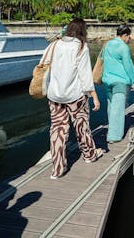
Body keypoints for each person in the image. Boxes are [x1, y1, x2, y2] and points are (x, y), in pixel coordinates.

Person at [46, 18, 103, 179]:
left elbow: (45, 64)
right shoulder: (81, 47)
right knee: (81, 126)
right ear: (82, 30)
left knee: (57, 130)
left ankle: (57, 169)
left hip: (55, 95)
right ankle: (89, 155)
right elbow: (85, 75)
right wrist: (94, 95)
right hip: (74, 95)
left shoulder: (54, 44)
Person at [101, 24, 134, 143]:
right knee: (118, 109)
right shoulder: (123, 47)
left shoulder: (107, 44)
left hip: (107, 80)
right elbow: (128, 65)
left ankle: (111, 129)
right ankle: (114, 136)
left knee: (111, 107)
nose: (129, 39)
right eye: (129, 37)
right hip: (119, 82)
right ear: (124, 35)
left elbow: (102, 59)